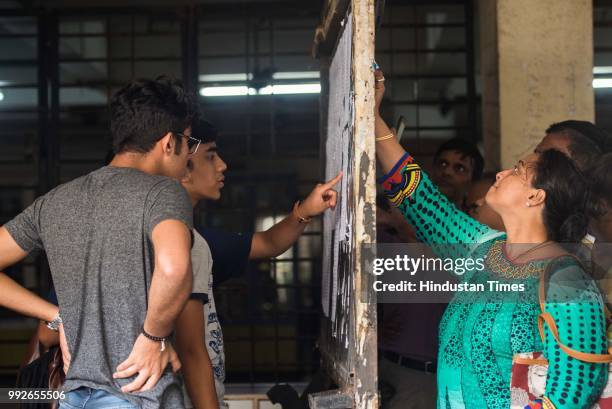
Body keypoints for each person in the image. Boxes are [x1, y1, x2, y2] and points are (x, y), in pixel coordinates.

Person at [374, 68, 608, 408]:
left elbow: (572, 396)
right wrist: (375, 120)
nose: (500, 173)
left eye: (517, 170)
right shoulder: (483, 248)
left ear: (536, 196)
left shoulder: (568, 283)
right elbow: (421, 200)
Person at [1, 76, 200, 408]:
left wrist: (56, 316)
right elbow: (174, 266)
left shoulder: (54, 201)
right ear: (169, 143)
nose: (189, 157)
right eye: (189, 143)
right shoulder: (164, 192)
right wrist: (154, 336)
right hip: (139, 394)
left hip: (74, 399)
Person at [177, 118, 340, 408]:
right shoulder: (179, 246)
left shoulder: (201, 242)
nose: (223, 165)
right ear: (182, 168)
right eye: (211, 156)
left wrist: (305, 211)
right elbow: (191, 350)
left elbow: (267, 244)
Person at [431, 137, 484, 209]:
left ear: (472, 182)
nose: (447, 172)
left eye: (460, 168)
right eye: (443, 164)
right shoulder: (412, 209)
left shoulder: (475, 218)